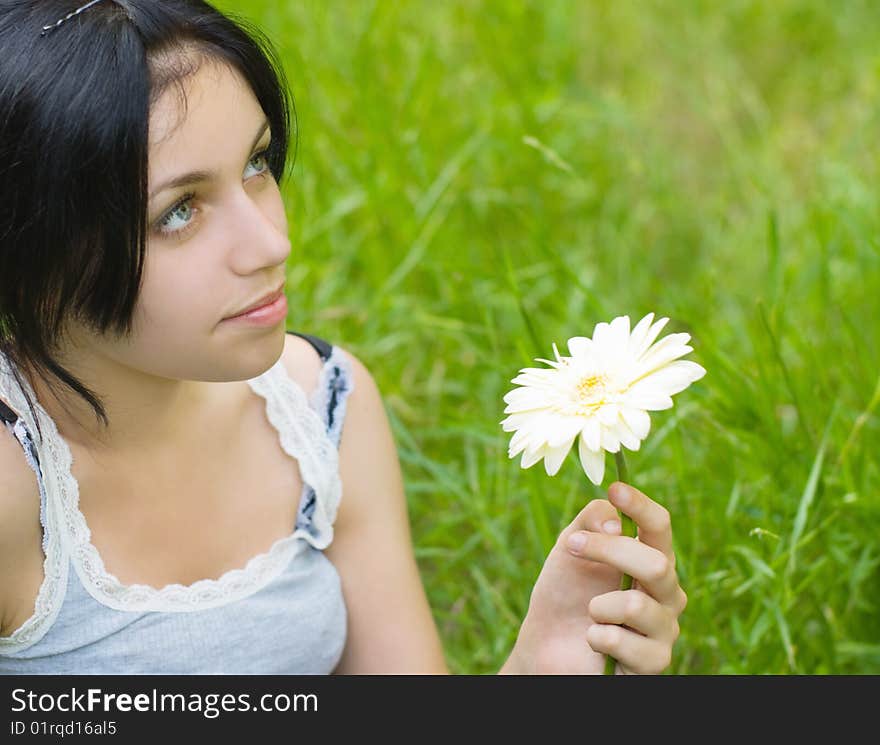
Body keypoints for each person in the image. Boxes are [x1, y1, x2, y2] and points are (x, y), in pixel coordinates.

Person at [0, 0, 686, 675]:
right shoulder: (14, 489)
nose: (271, 242)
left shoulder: (321, 408)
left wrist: (547, 664)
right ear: (32, 255)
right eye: (179, 210)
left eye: (257, 164)